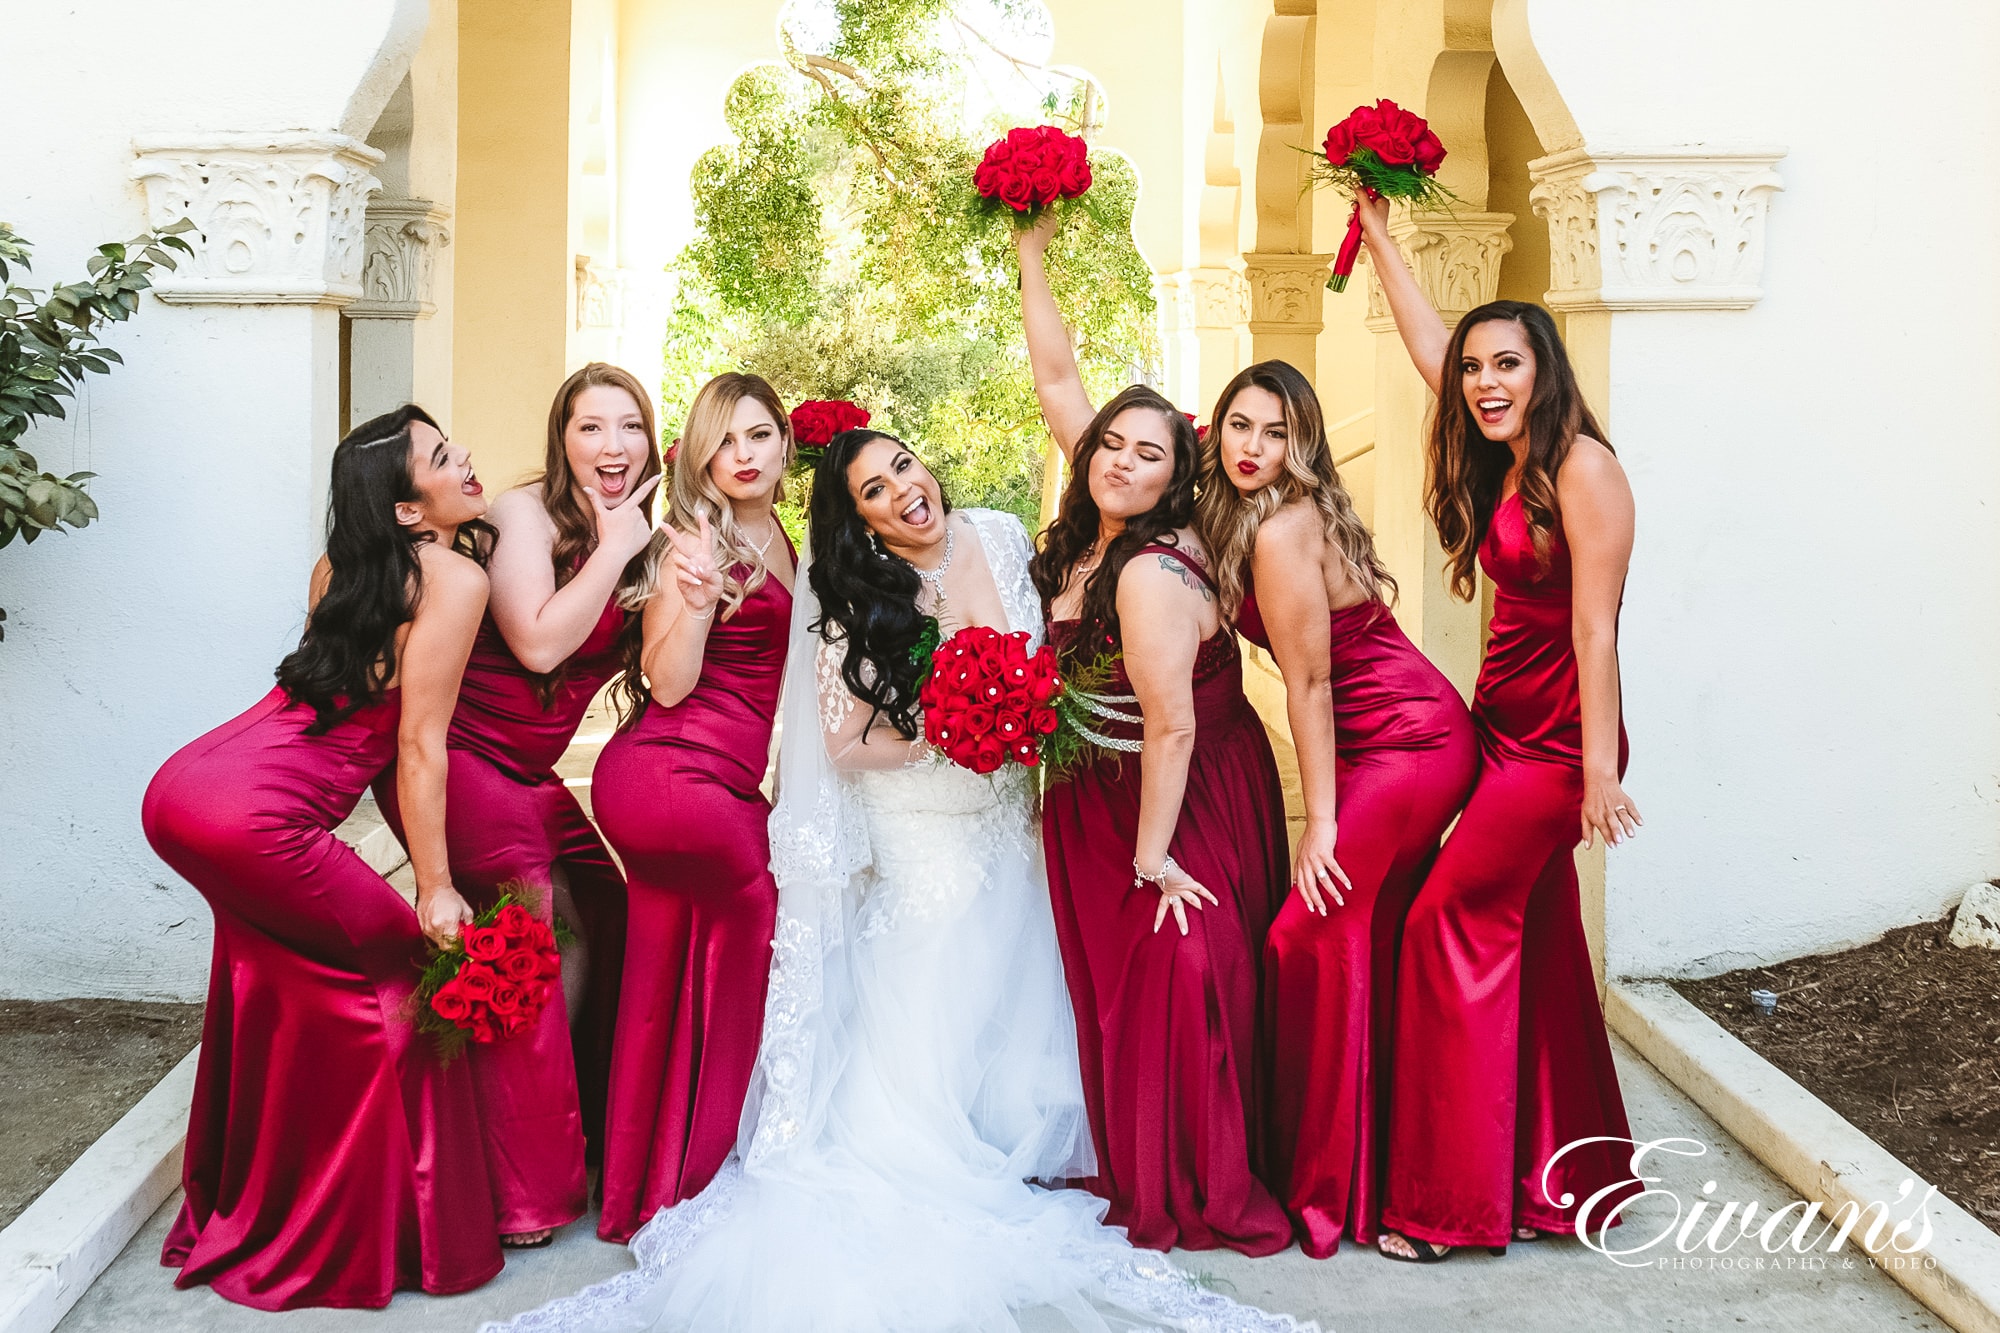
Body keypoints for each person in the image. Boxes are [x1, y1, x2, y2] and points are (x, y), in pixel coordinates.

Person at [484, 430, 1309, 1333]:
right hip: (919, 828)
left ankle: (1017, 1144)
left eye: (904, 467)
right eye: (874, 491)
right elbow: (841, 744)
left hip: (1014, 824)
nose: (902, 492)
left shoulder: (1000, 535)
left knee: (1027, 983)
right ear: (863, 522)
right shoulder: (852, 595)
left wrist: (1027, 718)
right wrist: (946, 732)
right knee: (930, 992)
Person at [142, 406, 502, 1308]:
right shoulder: (455, 579)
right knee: (413, 990)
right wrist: (436, 884)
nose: (466, 460)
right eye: (443, 458)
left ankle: (267, 1199)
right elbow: (418, 746)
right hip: (257, 814)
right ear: (411, 512)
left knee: (281, 984)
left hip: (189, 786)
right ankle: (405, 1237)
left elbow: (350, 721)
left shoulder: (339, 567)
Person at [1356, 190, 1643, 1261]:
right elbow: (1432, 351)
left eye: (1504, 365)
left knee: (1444, 922)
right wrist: (1379, 237)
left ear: (1544, 372)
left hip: (1560, 747)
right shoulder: (1505, 455)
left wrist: (1598, 767)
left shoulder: (1581, 467)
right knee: (1536, 941)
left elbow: (1596, 629)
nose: (1480, 381)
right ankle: (1569, 1180)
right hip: (1499, 729)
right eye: (1475, 368)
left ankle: (1444, 1205)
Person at [1018, 214, 1294, 1255]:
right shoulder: (1091, 535)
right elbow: (1054, 377)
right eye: (1109, 444)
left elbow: (1172, 723)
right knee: (1123, 993)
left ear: (1175, 475)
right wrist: (1028, 253)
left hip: (1173, 789)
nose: (1120, 461)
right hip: (1089, 790)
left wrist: (1150, 849)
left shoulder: (1152, 561)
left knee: (1180, 975)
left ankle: (1200, 1175)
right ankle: (1146, 1153)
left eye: (1149, 452)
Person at [1192, 358, 1478, 1257]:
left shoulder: (1280, 529)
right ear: (1217, 427)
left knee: (1305, 937)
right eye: (1242, 424)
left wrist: (1320, 822)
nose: (1255, 447)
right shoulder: (1235, 515)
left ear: (1301, 444)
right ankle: (1387, 1171)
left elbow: (1310, 681)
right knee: (1359, 938)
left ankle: (1330, 1191)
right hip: (1379, 739)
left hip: (1409, 740)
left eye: (1277, 433)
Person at [371, 361, 657, 1246]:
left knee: (605, 907)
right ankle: (519, 1187)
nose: (611, 446)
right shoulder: (524, 514)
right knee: (528, 937)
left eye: (629, 426)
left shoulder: (641, 527)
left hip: (528, 773)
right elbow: (536, 644)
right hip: (461, 758)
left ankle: (584, 1124)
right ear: (560, 440)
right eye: (590, 427)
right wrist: (615, 547)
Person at [593, 373, 795, 1242]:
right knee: (759, 925)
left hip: (711, 780)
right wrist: (700, 603)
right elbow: (668, 682)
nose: (742, 455)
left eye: (757, 435)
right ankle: (703, 1183)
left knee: (668, 963)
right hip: (674, 774)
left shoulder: (785, 534)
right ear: (699, 456)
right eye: (724, 441)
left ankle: (644, 1179)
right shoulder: (692, 541)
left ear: (785, 442)